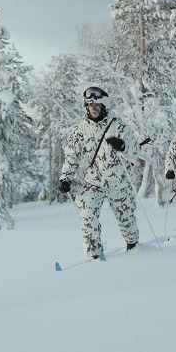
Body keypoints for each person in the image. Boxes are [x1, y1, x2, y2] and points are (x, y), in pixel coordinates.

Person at [59, 87, 139, 258]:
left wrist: (122, 146)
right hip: (93, 181)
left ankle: (133, 246)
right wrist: (66, 177)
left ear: (104, 105)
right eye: (89, 104)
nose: (92, 107)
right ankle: (95, 254)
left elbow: (134, 152)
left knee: (126, 219)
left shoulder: (118, 126)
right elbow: (71, 155)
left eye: (96, 103)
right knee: (86, 214)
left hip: (118, 182)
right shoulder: (80, 129)